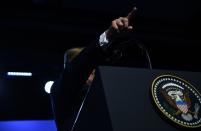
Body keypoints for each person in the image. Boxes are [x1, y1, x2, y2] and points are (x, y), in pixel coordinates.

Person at [50, 7, 147, 131]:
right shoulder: (60, 88)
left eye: (94, 68)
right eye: (88, 68)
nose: (92, 71)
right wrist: (109, 35)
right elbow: (77, 69)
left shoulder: (104, 93)